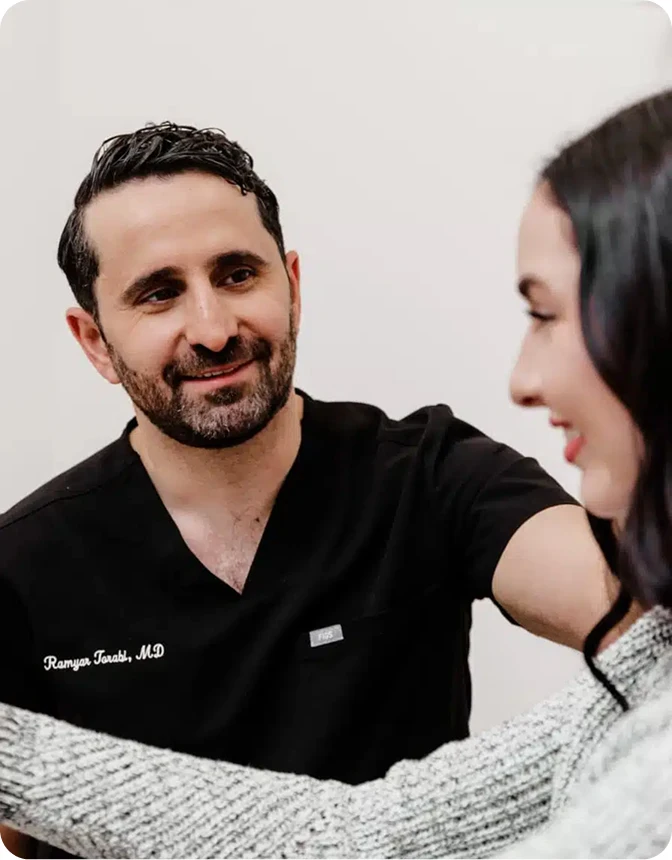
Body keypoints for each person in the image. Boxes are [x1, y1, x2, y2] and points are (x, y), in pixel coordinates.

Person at [2, 82, 672, 860]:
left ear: (292, 282)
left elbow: (629, 611)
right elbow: (354, 833)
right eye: (159, 295)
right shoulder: (25, 560)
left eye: (238, 274)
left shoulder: (428, 473)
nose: (213, 328)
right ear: (94, 341)